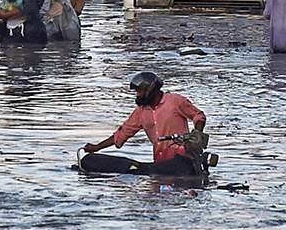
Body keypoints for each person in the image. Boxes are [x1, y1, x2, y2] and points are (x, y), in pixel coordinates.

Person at [80, 72, 209, 176]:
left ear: (150, 90)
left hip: (182, 162)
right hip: (159, 164)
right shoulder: (140, 113)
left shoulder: (175, 101)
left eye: (139, 92)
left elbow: (198, 116)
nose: (137, 95)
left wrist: (197, 133)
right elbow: (121, 134)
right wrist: (96, 148)